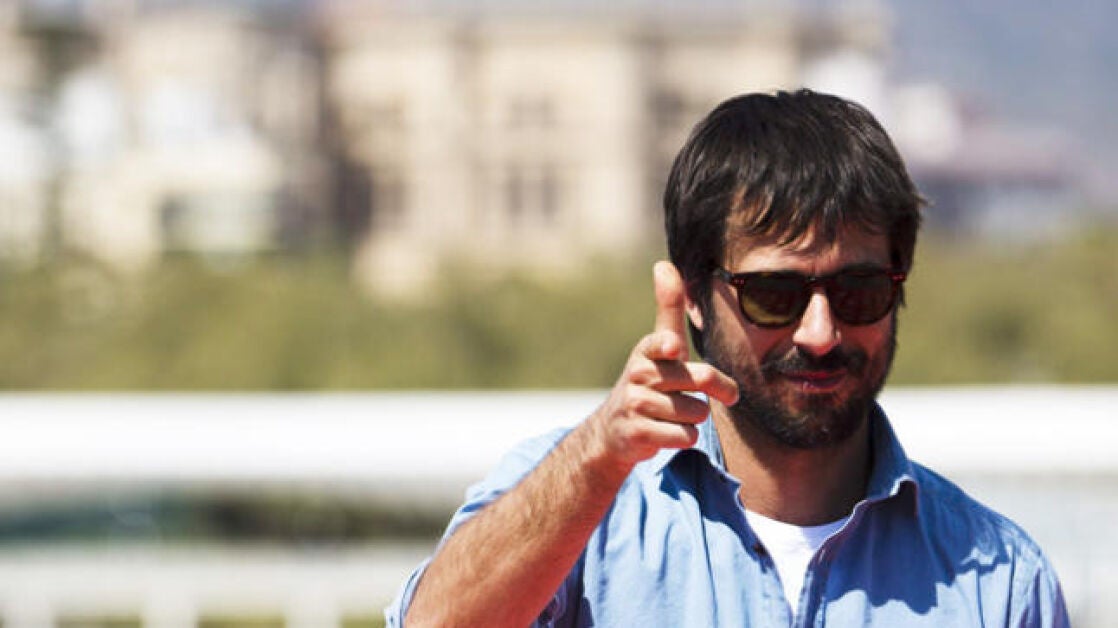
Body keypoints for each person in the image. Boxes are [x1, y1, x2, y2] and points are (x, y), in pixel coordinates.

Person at [386, 89, 1069, 627]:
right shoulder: (584, 509)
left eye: (858, 291)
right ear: (690, 295)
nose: (821, 332)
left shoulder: (1000, 580)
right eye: (774, 295)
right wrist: (598, 457)